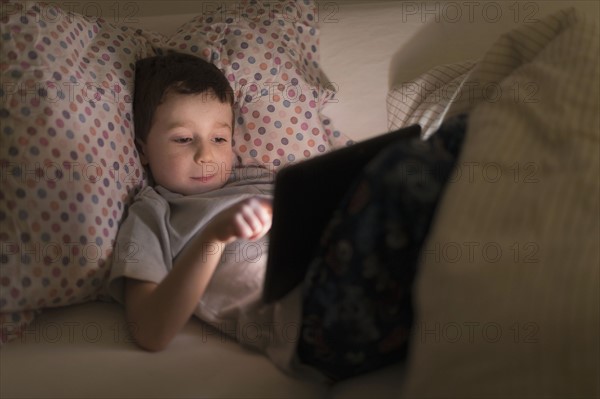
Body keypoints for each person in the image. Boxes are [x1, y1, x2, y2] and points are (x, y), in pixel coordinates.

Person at [110, 51, 468, 382]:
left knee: (454, 137)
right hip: (316, 325)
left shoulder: (262, 178)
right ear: (143, 149)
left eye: (219, 139)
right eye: (184, 139)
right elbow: (150, 330)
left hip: (371, 276)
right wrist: (217, 235)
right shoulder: (153, 212)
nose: (206, 154)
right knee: (403, 170)